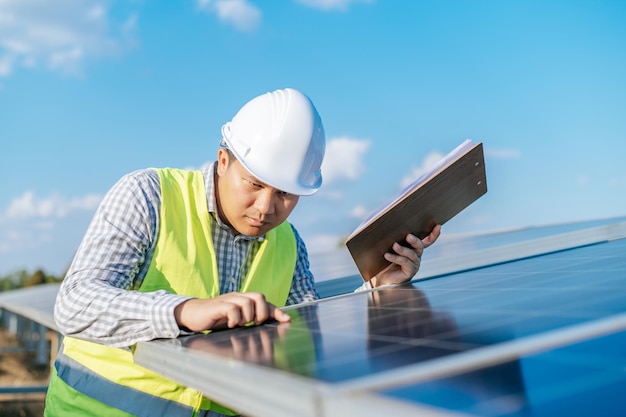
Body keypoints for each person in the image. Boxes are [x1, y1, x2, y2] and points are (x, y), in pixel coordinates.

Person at [44, 87, 441, 417]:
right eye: (254, 184)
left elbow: (304, 343)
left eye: (286, 193)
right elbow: (75, 304)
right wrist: (184, 311)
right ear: (222, 161)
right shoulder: (148, 196)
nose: (268, 207)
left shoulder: (290, 243)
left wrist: (376, 291)